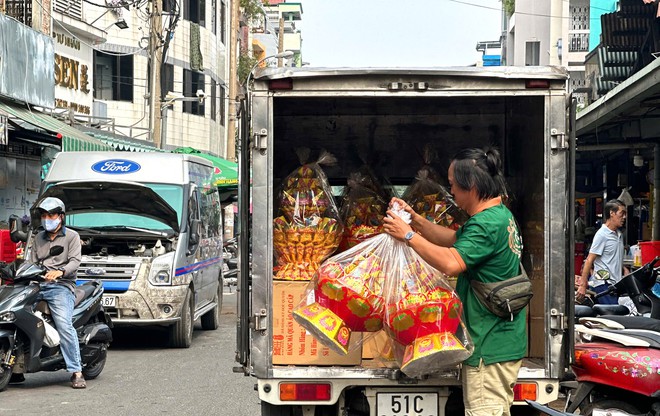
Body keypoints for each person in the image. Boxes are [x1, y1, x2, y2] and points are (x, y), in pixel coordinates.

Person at [383, 147, 525, 416]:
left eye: (452, 185)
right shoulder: (498, 216)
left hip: (490, 345)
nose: (451, 193)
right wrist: (414, 220)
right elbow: (452, 240)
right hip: (497, 341)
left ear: (470, 185)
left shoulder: (485, 225)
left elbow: (451, 262)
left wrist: (409, 238)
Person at [14, 197, 86, 389]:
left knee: (64, 324)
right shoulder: (38, 237)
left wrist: (60, 272)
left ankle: (76, 371)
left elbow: (75, 261)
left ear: (60, 217)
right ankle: (15, 365)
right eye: (44, 215)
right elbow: (32, 261)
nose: (47, 219)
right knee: (16, 314)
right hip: (38, 284)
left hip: (61, 286)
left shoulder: (72, 237)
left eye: (51, 215)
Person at [576, 199, 628, 306]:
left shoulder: (619, 234)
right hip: (604, 284)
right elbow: (589, 259)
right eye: (622, 213)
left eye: (625, 214)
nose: (624, 217)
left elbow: (613, 257)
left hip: (616, 284)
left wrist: (624, 270)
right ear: (612, 213)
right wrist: (583, 285)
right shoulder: (602, 234)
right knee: (613, 317)